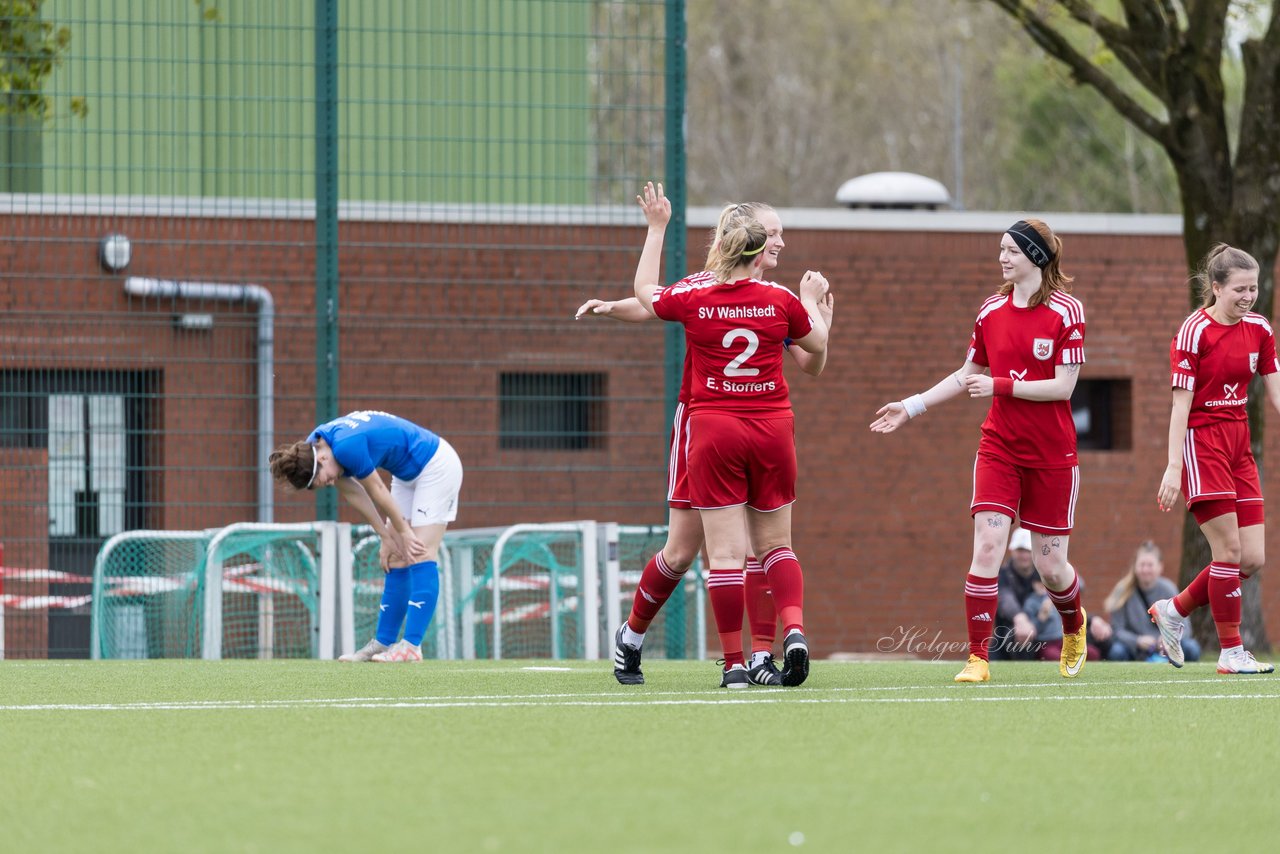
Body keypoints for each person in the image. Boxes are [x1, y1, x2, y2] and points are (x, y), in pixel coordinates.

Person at [578, 187, 834, 687]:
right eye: (773, 232)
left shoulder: (757, 296)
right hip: (707, 422)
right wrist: (613, 307)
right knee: (684, 551)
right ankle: (631, 637)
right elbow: (649, 304)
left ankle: (755, 658)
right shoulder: (765, 297)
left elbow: (810, 363)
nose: (781, 242)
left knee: (745, 551)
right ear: (747, 238)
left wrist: (820, 328)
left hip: (723, 428)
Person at [870, 219, 1089, 683]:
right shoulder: (990, 310)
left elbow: (1064, 388)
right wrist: (911, 406)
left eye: (1011, 250)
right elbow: (965, 374)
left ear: (1035, 257)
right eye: (1001, 250)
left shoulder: (1067, 311)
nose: (1002, 258)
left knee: (1052, 568)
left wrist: (1001, 385)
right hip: (999, 449)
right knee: (988, 546)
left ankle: (1074, 626)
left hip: (1052, 457)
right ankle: (978, 659)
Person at [1151, 244, 1278, 674]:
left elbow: (1275, 391)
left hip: (1239, 444)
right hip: (1202, 442)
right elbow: (1179, 407)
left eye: (1254, 288)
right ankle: (1230, 652)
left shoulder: (1260, 328)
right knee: (1227, 551)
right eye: (1239, 289)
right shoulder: (1194, 331)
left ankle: (1173, 610)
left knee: (1252, 558)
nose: (1248, 297)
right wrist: (1173, 466)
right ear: (1216, 287)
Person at [268, 410, 463, 663]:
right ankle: (383, 643)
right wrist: (385, 536)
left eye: (325, 479)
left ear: (324, 458)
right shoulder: (314, 446)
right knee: (395, 558)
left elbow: (376, 489)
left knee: (419, 552)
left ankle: (412, 646)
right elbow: (354, 494)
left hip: (436, 466)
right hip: (407, 475)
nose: (329, 483)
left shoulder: (346, 446)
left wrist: (403, 531)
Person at [1104, 540, 1201, 663]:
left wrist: (1168, 639)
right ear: (1135, 566)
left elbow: (1186, 628)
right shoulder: (1123, 591)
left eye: (1150, 565)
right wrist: (1137, 641)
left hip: (1166, 647)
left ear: (1160, 566)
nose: (1145, 570)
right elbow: (1117, 630)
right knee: (1116, 651)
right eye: (1142, 565)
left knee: (1192, 648)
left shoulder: (1169, 589)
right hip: (1136, 648)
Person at [989, 527, 1042, 661]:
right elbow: (1005, 598)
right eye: (1020, 550)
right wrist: (1020, 618)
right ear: (1012, 551)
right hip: (1004, 637)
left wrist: (1092, 620)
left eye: (1028, 551)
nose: (1024, 555)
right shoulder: (1002, 574)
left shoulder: (1044, 574)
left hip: (1045, 635)